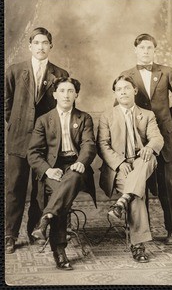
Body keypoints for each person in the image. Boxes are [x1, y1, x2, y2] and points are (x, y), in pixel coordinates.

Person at [5, 27, 69, 254]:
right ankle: (10, 234)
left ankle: (35, 229)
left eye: (45, 43)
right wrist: (17, 124)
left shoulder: (60, 74)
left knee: (40, 188)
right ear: (30, 46)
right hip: (19, 138)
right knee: (15, 186)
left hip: (46, 141)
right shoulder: (14, 71)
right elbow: (7, 103)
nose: (41, 47)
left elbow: (62, 105)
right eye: (37, 43)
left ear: (51, 46)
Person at [121, 33, 172, 244]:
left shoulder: (166, 72)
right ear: (135, 50)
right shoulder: (127, 74)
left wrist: (168, 122)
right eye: (142, 48)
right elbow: (121, 104)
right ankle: (143, 231)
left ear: (154, 50)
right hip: (139, 138)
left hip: (163, 138)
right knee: (141, 183)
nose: (145, 51)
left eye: (149, 48)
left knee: (165, 183)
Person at [27, 76, 97, 270]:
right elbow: (32, 153)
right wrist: (48, 170)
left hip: (76, 167)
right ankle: (59, 250)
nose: (66, 95)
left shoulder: (84, 118)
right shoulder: (44, 120)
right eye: (62, 91)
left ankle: (46, 219)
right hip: (53, 169)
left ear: (76, 95)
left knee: (72, 177)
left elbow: (89, 144)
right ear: (55, 94)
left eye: (70, 91)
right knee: (60, 191)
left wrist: (81, 162)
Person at [97, 75, 164, 263]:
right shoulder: (107, 116)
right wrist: (119, 163)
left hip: (142, 161)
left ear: (134, 90)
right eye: (119, 89)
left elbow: (157, 138)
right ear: (115, 94)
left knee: (147, 158)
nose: (123, 92)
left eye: (127, 88)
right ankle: (138, 245)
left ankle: (122, 202)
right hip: (120, 167)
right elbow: (102, 145)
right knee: (137, 195)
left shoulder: (147, 115)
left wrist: (150, 147)